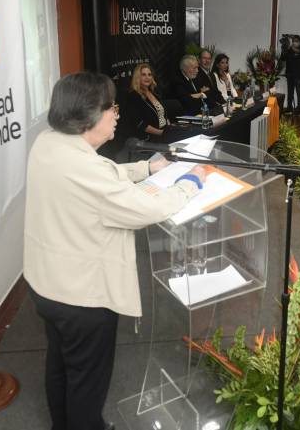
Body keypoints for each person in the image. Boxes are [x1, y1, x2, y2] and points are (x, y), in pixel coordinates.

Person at [25, 72, 207, 430]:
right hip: (82, 297)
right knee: (87, 382)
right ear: (90, 114)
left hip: (47, 284)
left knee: (61, 364)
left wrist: (146, 168)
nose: (117, 116)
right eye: (113, 108)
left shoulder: (49, 142)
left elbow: (101, 175)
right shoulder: (82, 166)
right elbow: (144, 210)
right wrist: (190, 183)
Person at [121, 63, 177, 143]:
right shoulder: (133, 96)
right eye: (143, 75)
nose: (147, 77)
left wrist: (170, 128)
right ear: (137, 77)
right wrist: (161, 133)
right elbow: (139, 124)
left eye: (149, 74)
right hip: (148, 139)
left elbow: (163, 114)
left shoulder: (154, 93)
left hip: (164, 133)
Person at [281, 35, 300, 114]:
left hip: (299, 75)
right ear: (292, 42)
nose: (296, 43)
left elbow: (298, 54)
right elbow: (282, 58)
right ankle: (289, 107)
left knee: (299, 92)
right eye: (294, 41)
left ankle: (298, 108)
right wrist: (284, 49)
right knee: (290, 92)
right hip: (290, 74)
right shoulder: (288, 49)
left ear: (299, 42)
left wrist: (290, 48)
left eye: (297, 41)